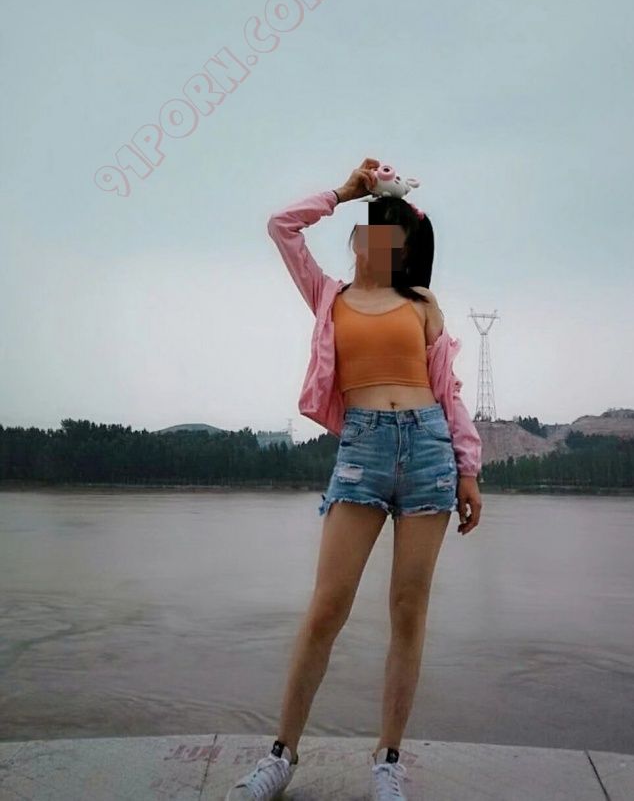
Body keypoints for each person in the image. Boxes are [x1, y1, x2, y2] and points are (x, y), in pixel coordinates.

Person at [226, 158, 483, 801]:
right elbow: (281, 226)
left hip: (428, 452)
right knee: (327, 607)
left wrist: (469, 470)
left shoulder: (423, 305)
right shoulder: (329, 296)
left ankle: (388, 760)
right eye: (372, 231)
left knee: (408, 610)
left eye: (393, 235)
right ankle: (281, 755)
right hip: (362, 452)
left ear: (405, 247)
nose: (380, 243)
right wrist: (344, 192)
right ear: (360, 239)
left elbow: (449, 392)